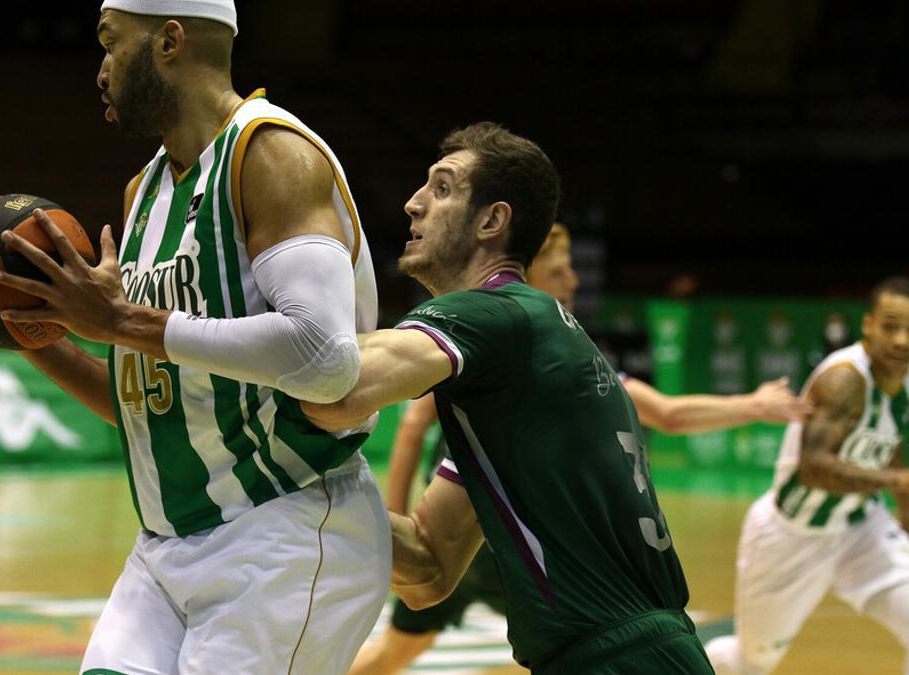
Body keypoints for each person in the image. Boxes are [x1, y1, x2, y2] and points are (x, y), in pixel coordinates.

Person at [0, 2, 389, 673]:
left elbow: (325, 360)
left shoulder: (271, 155)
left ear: (170, 41)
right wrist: (28, 328)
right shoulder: (142, 192)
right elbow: (143, 402)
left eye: (112, 44)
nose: (101, 70)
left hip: (281, 532)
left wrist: (119, 322)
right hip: (165, 545)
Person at [302, 121, 713, 673]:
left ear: (492, 221)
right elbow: (428, 567)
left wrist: (206, 338)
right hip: (623, 653)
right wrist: (308, 499)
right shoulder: (517, 378)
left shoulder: (493, 311)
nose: (412, 204)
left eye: (442, 188)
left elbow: (337, 388)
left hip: (618, 659)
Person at [351, 224, 810, 674]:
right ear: (523, 277)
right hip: (492, 528)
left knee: (423, 639)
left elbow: (667, 413)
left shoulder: (566, 359)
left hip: (519, 544)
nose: (572, 281)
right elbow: (412, 423)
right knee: (419, 634)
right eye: (560, 271)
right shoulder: (493, 345)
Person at [705, 277, 909, 675]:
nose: (902, 340)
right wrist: (896, 483)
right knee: (752, 662)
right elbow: (814, 468)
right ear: (868, 325)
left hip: (858, 529)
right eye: (891, 326)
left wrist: (904, 512)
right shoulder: (846, 379)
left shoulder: (903, 383)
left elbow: (894, 446)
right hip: (791, 536)